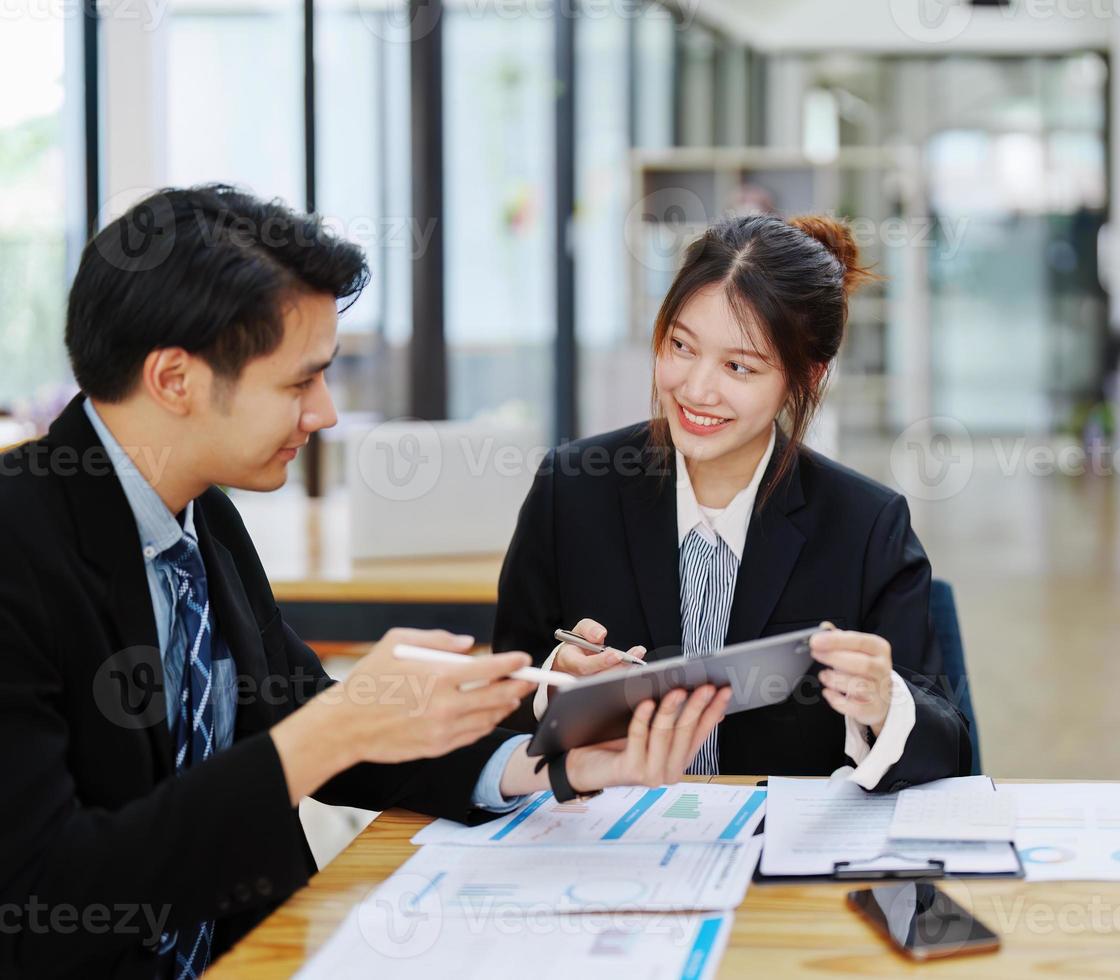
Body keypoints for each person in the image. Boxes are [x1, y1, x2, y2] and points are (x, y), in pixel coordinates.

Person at [0, 185, 728, 979]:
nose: (326, 413)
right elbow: (41, 899)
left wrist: (553, 762)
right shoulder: (20, 547)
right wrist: (338, 725)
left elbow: (307, 720)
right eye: (299, 383)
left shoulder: (199, 515)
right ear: (175, 379)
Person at [494, 212, 971, 791]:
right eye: (681, 346)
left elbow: (950, 747)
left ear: (809, 376)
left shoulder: (865, 524)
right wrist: (552, 687)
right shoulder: (571, 490)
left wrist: (884, 703)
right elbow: (496, 714)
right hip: (611, 847)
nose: (696, 389)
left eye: (738, 366)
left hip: (778, 863)